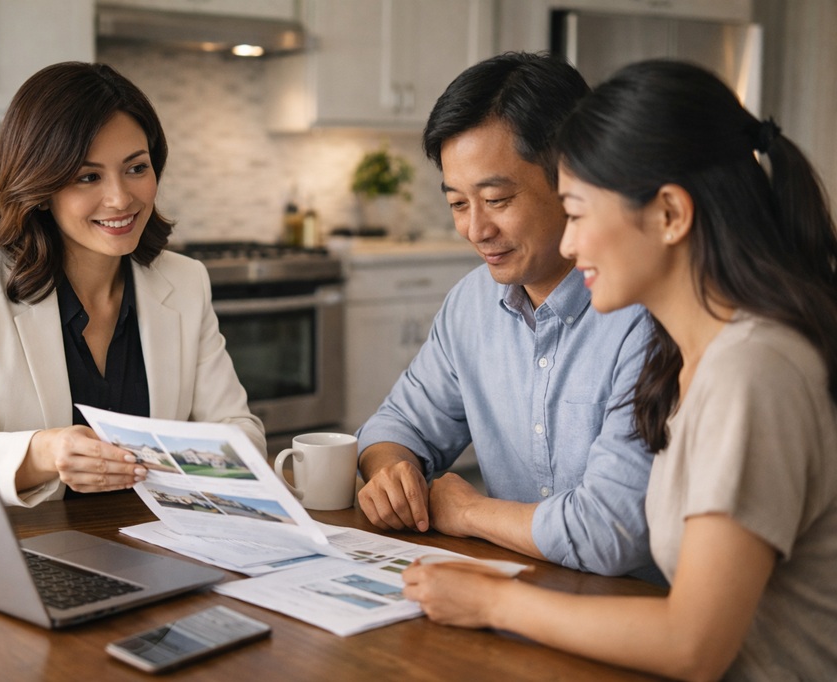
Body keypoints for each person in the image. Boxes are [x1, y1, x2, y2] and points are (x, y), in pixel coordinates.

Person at [403, 59, 837, 680]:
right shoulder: (702, 357)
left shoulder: (752, 371)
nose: (571, 245)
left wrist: (492, 599)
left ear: (668, 215)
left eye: (577, 213)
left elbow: (693, 644)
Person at [0, 62, 266, 507]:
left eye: (137, 168)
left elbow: (239, 428)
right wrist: (45, 453)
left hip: (160, 543)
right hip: (30, 549)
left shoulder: (185, 280)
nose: (120, 198)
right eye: (88, 176)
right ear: (39, 186)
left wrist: (185, 462)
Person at [356, 52, 657, 578]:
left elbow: (613, 533)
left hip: (629, 614)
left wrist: (468, 512)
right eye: (456, 204)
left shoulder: (644, 313)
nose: (475, 230)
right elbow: (396, 424)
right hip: (516, 594)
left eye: (496, 199)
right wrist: (392, 469)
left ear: (574, 179)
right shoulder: (471, 304)